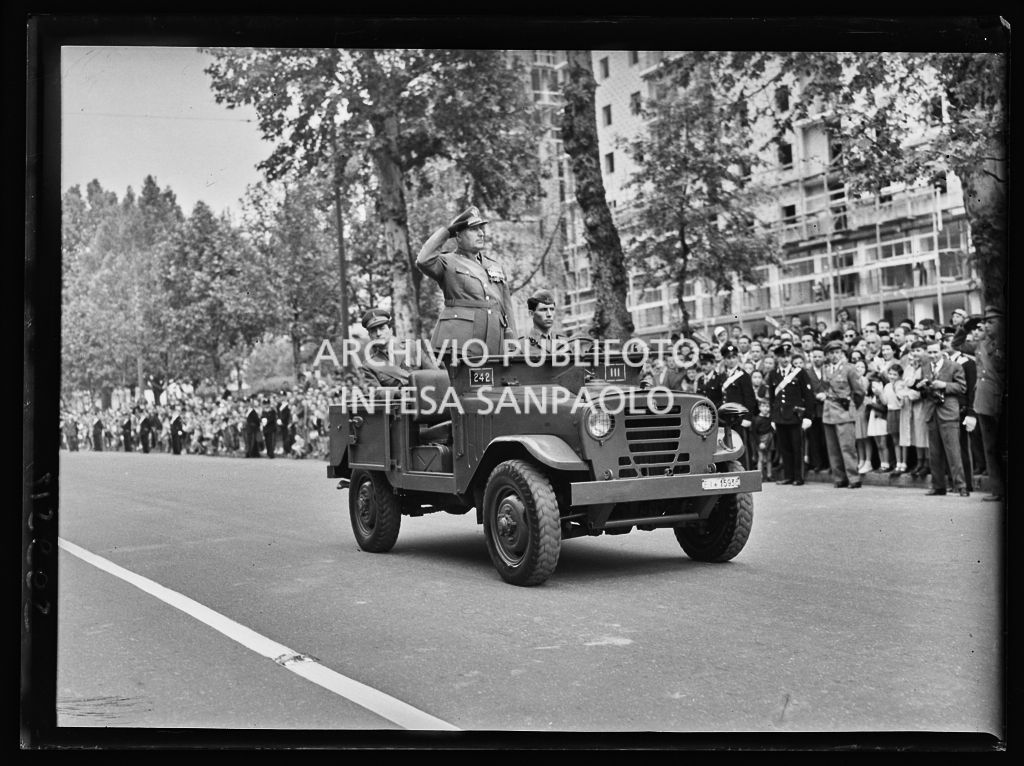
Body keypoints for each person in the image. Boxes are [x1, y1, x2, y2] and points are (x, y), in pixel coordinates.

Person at [416, 205, 517, 356]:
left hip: (494, 341)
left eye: (481, 229)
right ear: (458, 236)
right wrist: (447, 232)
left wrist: (512, 341)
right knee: (464, 380)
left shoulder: (495, 266)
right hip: (461, 341)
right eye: (473, 229)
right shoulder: (446, 262)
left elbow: (506, 307)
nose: (481, 234)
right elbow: (423, 260)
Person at [918, 340, 968, 496]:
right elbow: (924, 393)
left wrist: (944, 385)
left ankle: (961, 486)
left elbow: (962, 387)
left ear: (942, 352)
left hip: (948, 412)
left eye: (935, 352)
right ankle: (938, 486)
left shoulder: (954, 366)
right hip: (931, 411)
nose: (932, 355)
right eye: (930, 352)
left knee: (953, 451)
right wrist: (922, 386)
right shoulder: (925, 367)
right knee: (934, 452)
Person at [821, 339, 866, 488]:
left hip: (844, 411)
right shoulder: (825, 369)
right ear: (827, 355)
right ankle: (839, 478)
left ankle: (854, 478)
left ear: (842, 353)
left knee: (847, 447)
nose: (834, 355)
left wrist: (851, 407)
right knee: (833, 449)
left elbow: (859, 392)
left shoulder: (849, 369)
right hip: (828, 412)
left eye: (837, 352)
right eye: (831, 353)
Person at [766, 346, 813, 485]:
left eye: (787, 356)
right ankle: (788, 476)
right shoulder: (773, 374)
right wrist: (773, 418)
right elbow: (772, 399)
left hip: (795, 416)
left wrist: (808, 416)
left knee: (796, 448)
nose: (785, 359)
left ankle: (798, 477)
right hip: (780, 417)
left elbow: (808, 396)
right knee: (784, 448)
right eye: (782, 356)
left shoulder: (799, 373)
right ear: (777, 358)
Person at [718, 342, 757, 469]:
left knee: (741, 446)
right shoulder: (721, 376)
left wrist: (748, 417)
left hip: (739, 419)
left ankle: (745, 471)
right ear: (724, 359)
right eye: (728, 358)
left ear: (737, 358)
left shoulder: (743, 376)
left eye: (734, 357)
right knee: (726, 447)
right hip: (724, 419)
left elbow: (749, 398)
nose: (731, 360)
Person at [802, 345, 830, 473]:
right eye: (815, 357)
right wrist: (815, 396)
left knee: (827, 438)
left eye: (819, 356)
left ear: (824, 357)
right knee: (814, 438)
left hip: (828, 408)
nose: (817, 359)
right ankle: (817, 463)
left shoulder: (829, 371)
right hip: (813, 409)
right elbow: (804, 391)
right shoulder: (807, 373)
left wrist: (827, 395)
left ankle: (829, 463)